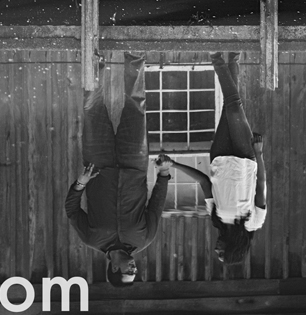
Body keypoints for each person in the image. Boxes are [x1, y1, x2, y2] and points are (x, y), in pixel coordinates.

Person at [65, 53, 172, 283]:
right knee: (136, 106)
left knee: (91, 108)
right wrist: (163, 174)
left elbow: (72, 211)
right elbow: (156, 206)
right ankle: (134, 55)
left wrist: (81, 183)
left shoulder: (92, 239)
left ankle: (95, 60)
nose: (134, 269)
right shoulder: (144, 239)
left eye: (128, 272)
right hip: (134, 163)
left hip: (98, 165)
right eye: (135, 273)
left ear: (114, 268)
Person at [159, 52, 267, 265]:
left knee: (230, 107)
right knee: (234, 107)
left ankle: (232, 58)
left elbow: (204, 181)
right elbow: (261, 186)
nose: (216, 250)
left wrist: (174, 164)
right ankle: (216, 56)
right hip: (246, 157)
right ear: (234, 249)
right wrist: (259, 153)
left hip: (220, 156)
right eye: (221, 254)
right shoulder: (254, 222)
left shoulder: (216, 219)